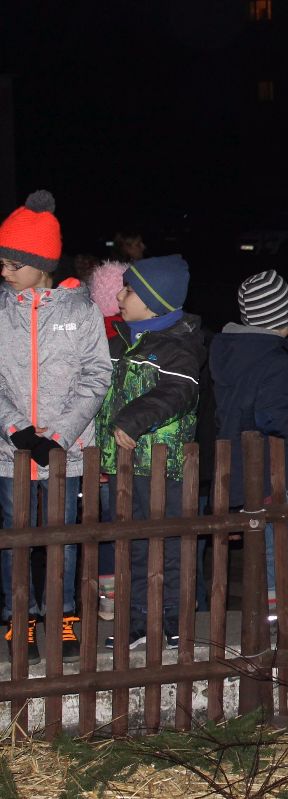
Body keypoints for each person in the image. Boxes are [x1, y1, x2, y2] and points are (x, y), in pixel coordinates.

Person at [0, 191, 111, 663]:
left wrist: (58, 436)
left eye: (13, 263)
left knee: (62, 537)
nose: (4, 271)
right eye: (3, 262)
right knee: (15, 538)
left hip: (66, 450)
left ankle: (63, 613)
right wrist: (16, 429)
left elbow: (97, 375)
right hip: (10, 452)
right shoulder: (1, 311)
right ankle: (18, 616)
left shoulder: (80, 310)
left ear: (40, 263)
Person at [96, 254, 204, 649]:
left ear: (154, 302)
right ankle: (137, 620)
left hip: (164, 466)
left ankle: (171, 618)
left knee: (169, 543)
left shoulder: (178, 345)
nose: (119, 296)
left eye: (129, 290)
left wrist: (132, 419)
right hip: (125, 464)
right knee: (132, 543)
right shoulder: (122, 340)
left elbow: (177, 390)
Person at [210, 270, 288, 629]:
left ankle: (277, 610)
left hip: (248, 471)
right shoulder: (275, 361)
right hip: (280, 469)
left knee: (273, 543)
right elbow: (275, 414)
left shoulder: (231, 354)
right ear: (283, 314)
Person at [84, 259, 128, 619]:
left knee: (103, 523)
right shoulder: (132, 337)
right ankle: (126, 592)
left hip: (96, 445)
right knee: (124, 519)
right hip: (127, 444)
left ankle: (108, 596)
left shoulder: (89, 334)